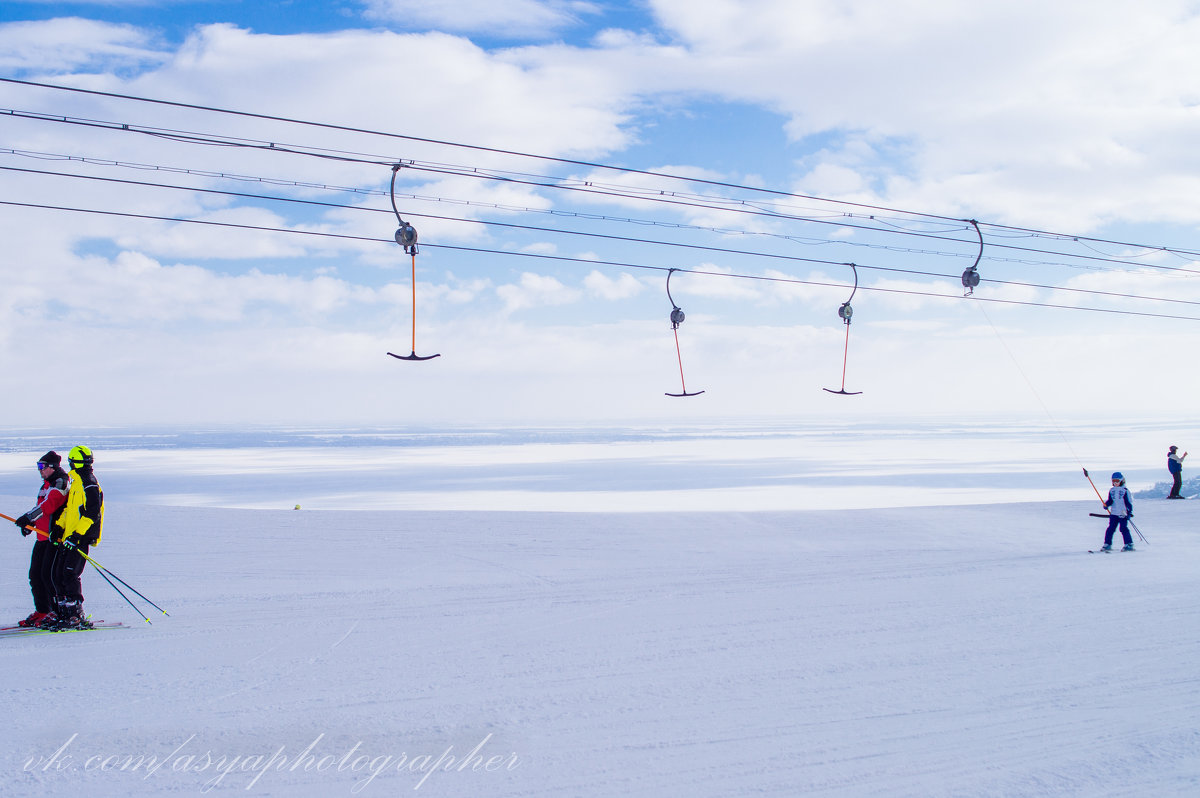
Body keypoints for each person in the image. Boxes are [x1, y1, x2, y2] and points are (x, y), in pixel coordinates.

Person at [48, 445, 104, 630]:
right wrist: (58, 527)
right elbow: (70, 511)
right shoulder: (77, 481)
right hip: (69, 536)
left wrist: (77, 534)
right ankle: (63, 612)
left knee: (69, 574)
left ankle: (75, 615)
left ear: (72, 461)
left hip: (80, 538)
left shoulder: (89, 483)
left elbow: (92, 513)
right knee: (57, 574)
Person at [11, 452, 70, 627]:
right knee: (35, 576)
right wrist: (31, 524)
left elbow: (50, 505)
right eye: (39, 466)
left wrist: (29, 517)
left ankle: (55, 611)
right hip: (42, 536)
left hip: (54, 538)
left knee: (48, 576)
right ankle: (42, 610)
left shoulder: (61, 482)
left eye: (42, 467)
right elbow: (41, 509)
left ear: (52, 467)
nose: (40, 470)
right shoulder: (46, 484)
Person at [1100, 471, 1134, 552]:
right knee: (1110, 529)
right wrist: (1106, 505)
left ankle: (1129, 544)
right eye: (1113, 481)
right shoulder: (1112, 490)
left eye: (1117, 481)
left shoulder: (1125, 491)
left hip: (1123, 513)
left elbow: (1128, 503)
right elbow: (1110, 501)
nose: (1115, 483)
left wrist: (1129, 513)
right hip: (1114, 513)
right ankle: (1107, 544)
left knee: (1123, 528)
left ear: (1121, 481)